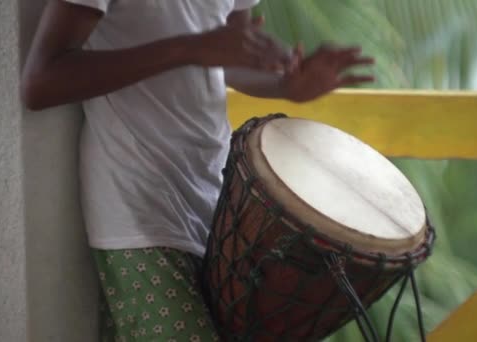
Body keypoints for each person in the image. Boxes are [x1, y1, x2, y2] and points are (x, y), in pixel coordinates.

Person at [21, 0, 374, 340]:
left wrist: (287, 86)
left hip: (218, 200)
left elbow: (228, 56)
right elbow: (41, 82)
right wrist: (186, 49)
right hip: (136, 207)